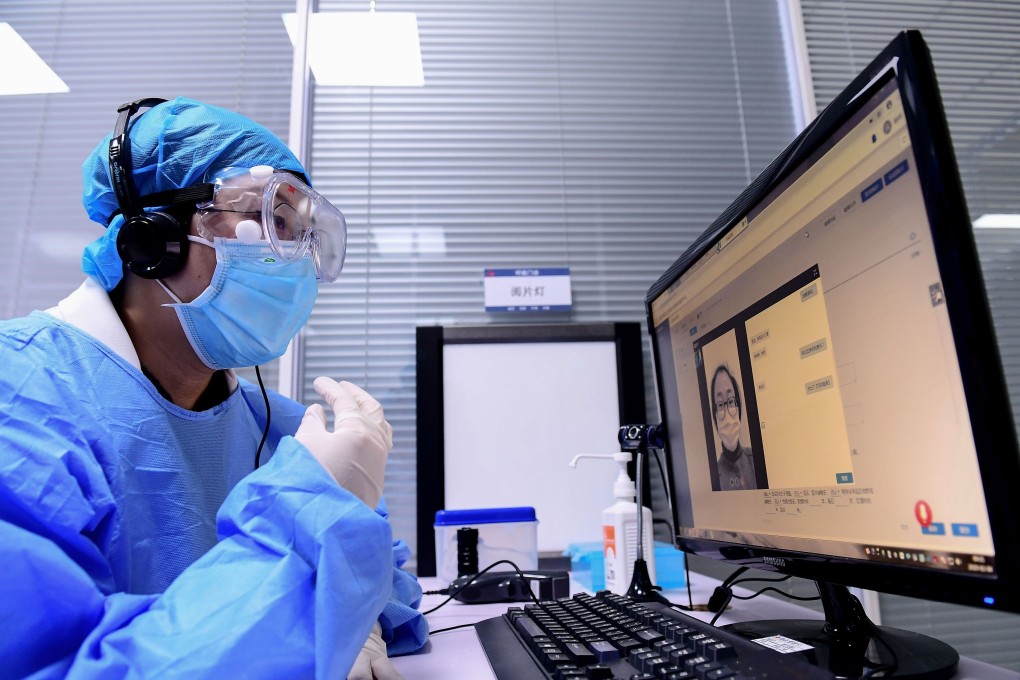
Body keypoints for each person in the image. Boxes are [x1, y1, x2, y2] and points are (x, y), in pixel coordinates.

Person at [0, 97, 427, 679]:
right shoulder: (20, 398)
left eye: (303, 233)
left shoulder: (273, 427)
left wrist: (361, 624)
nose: (296, 258)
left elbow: (387, 578)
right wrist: (305, 558)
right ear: (154, 239)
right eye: (272, 219)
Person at [711, 364, 757, 490]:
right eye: (720, 404)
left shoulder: (755, 460)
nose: (726, 411)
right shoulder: (715, 476)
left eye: (731, 401)